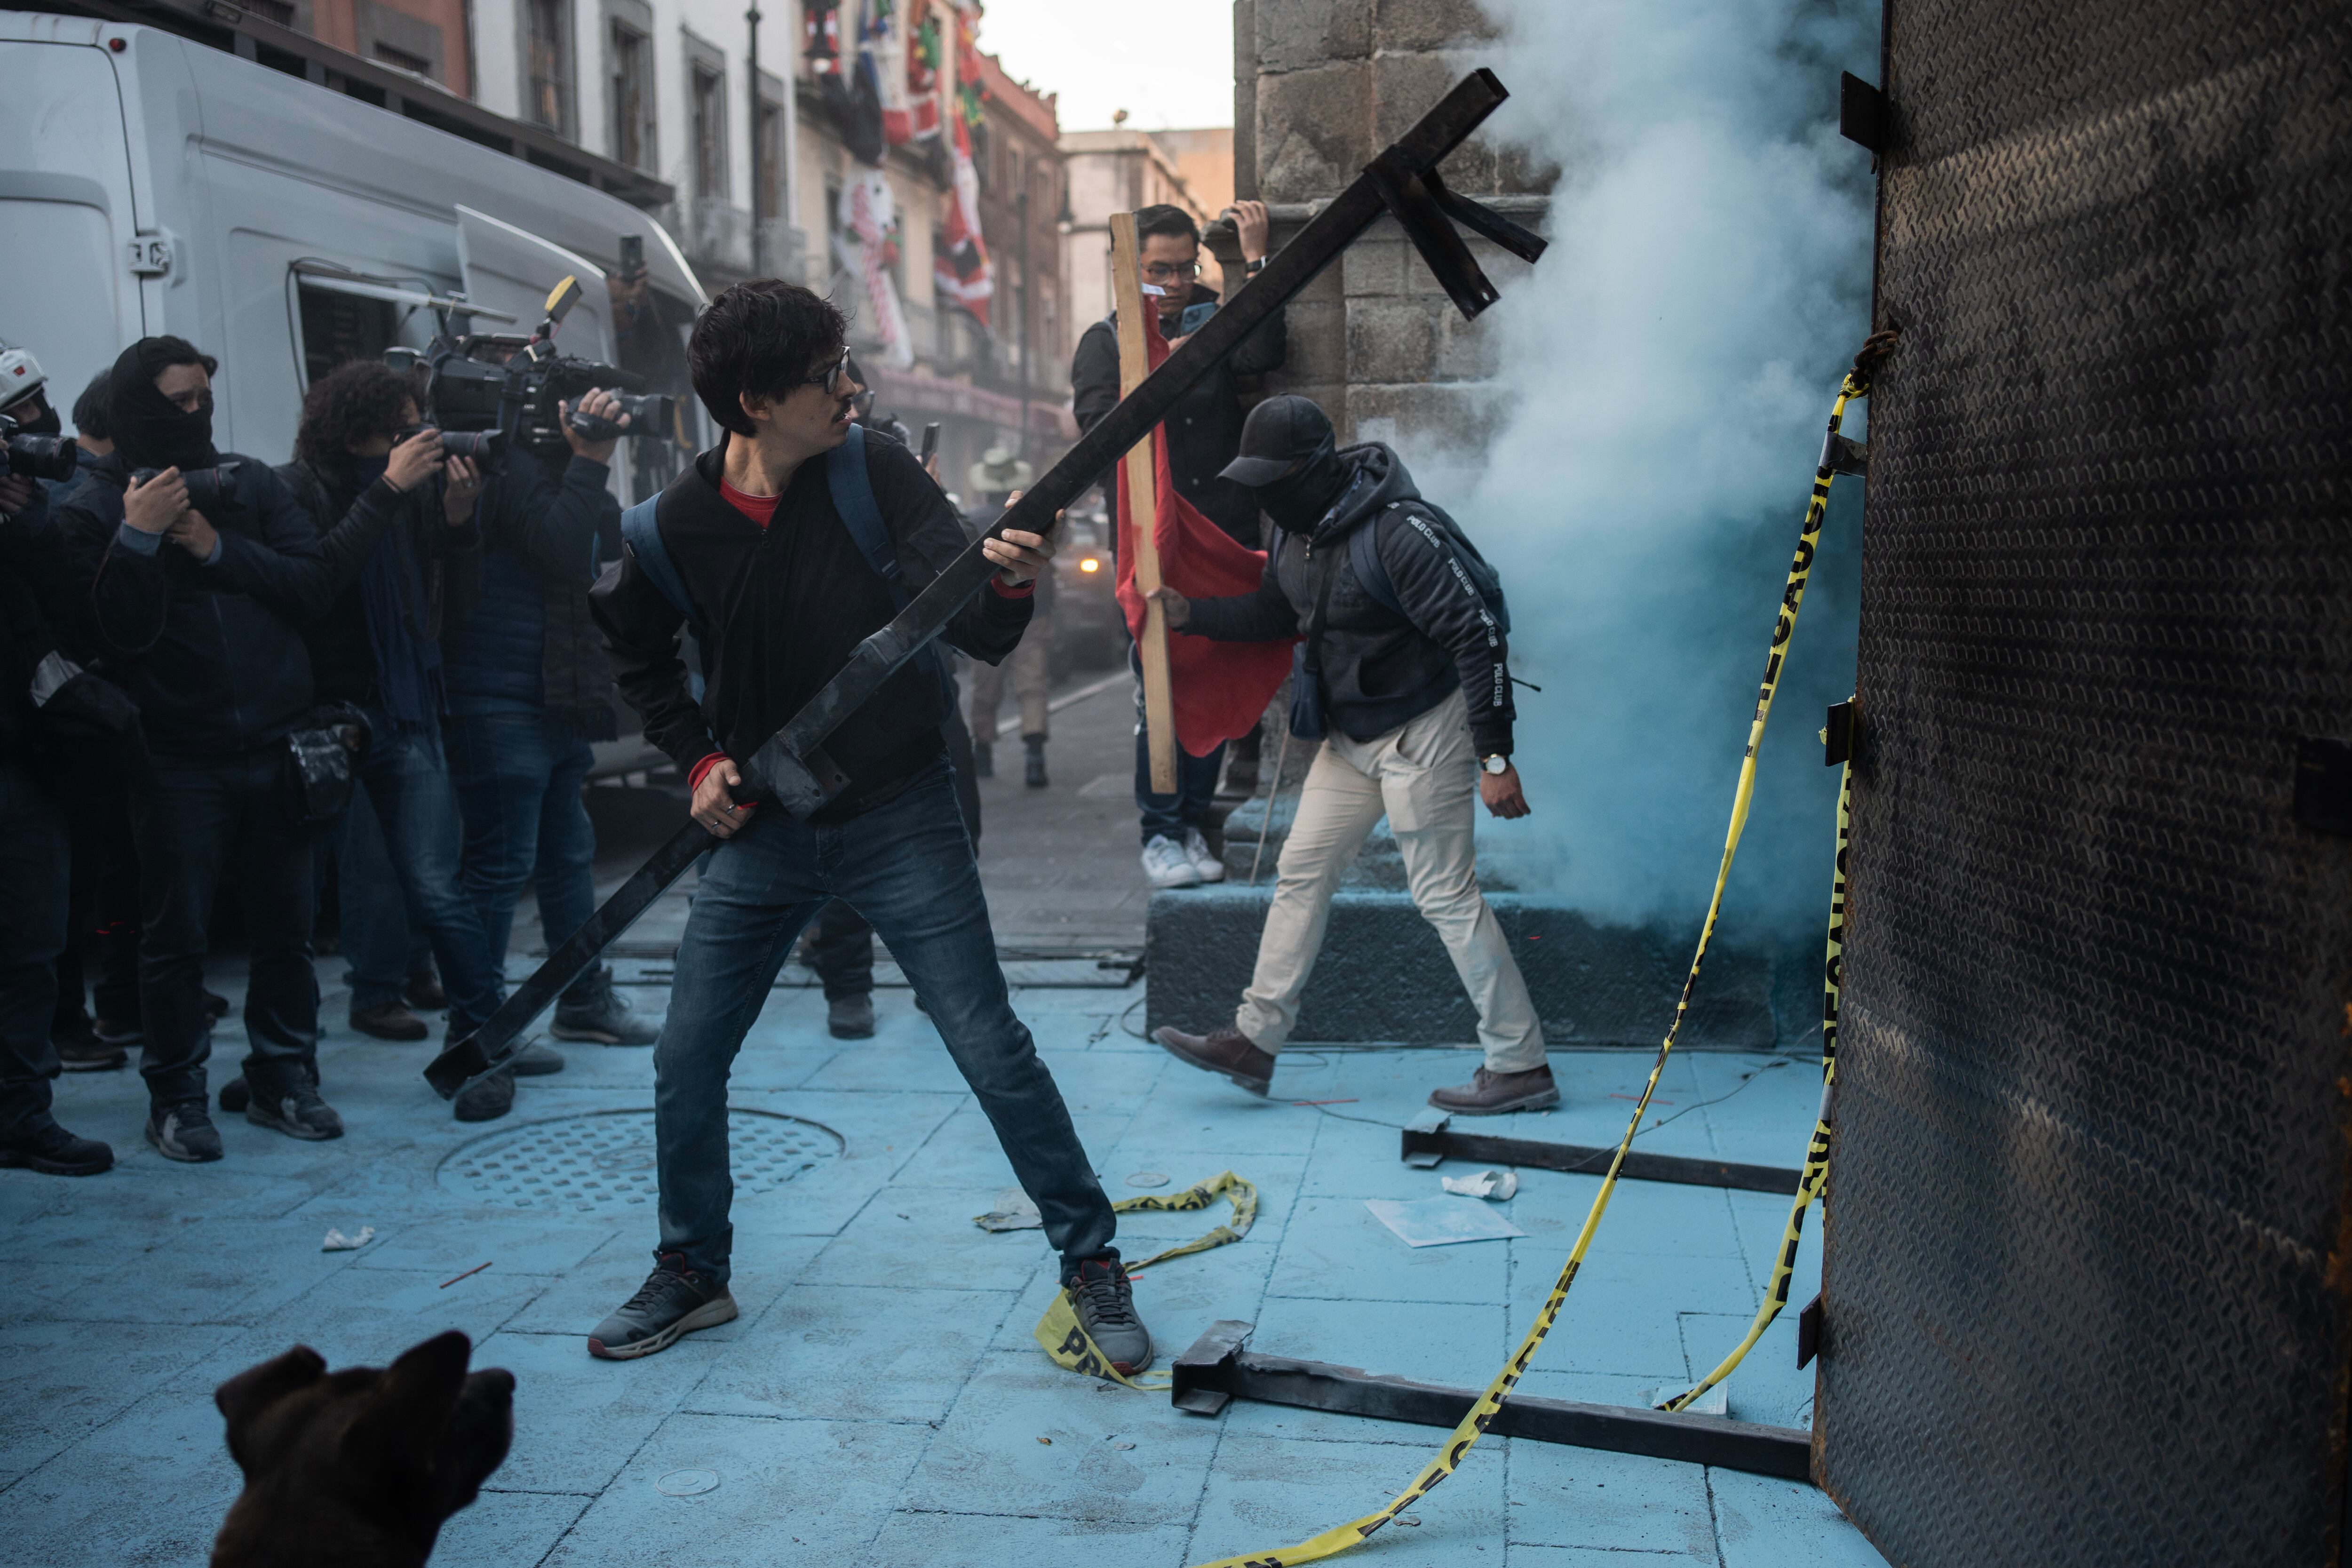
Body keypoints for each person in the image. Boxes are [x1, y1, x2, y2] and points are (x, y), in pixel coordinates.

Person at [588, 280, 1145, 1370]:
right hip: (761, 831)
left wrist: (1014, 582)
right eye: (828, 375)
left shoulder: (874, 468)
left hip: (902, 810)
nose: (854, 388)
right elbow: (639, 660)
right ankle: (693, 1271)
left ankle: (1091, 1263)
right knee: (687, 1057)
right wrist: (698, 759)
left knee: (991, 1044)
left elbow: (976, 627)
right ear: (754, 402)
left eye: (850, 362)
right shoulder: (668, 530)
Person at [1145, 396, 1556, 1115]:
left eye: (1276, 480)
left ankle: (1520, 1065)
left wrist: (1495, 759)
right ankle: (1254, 1039)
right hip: (1351, 737)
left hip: (1426, 730)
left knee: (1443, 894)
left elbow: (1481, 634)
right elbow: (1280, 611)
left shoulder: (1401, 532)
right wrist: (1192, 615)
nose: (1266, 496)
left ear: (1312, 467)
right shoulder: (1294, 529)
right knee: (1299, 872)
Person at [54, 337, 402, 1160]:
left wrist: (216, 549)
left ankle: (284, 1077)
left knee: (286, 931)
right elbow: (110, 633)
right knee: (174, 941)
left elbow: (313, 583)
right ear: (140, 405)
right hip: (176, 758)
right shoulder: (94, 512)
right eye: (177, 401)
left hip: (277, 741)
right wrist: (139, 540)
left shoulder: (250, 484)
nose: (196, 414)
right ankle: (176, 1098)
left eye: (203, 396)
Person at [278, 361, 520, 1064]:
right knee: (309, 889)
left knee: (436, 883)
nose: (417, 434)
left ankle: (483, 1028)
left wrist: (456, 521)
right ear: (360, 429)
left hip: (407, 704)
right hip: (325, 713)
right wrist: (387, 488)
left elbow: (453, 601)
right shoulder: (299, 490)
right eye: (403, 424)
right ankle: (294, 1053)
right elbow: (318, 581)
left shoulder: (414, 495)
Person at [439, 381, 653, 1122]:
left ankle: (583, 998)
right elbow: (564, 550)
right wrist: (590, 458)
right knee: (497, 869)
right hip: (499, 692)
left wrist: (587, 466)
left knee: (567, 855)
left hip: (556, 692)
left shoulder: (551, 468)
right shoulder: (506, 469)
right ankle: (477, 1033)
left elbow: (599, 545)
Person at [1070, 201, 1283, 890]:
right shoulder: (1105, 342)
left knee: (1212, 684)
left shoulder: (1213, 316)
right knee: (1160, 688)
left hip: (1220, 532)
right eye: (1157, 270)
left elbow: (1263, 352)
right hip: (1150, 538)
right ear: (1130, 272)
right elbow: (1104, 437)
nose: (1173, 282)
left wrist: (1250, 261)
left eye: (1183, 267)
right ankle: (1160, 832)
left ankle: (1193, 821)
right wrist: (1169, 365)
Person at [0, 449, 116, 1174]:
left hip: (20, 757)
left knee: (31, 947)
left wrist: (30, 525)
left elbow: (72, 615)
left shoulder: (22, 526)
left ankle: (21, 1115)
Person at [963, 458, 1053, 788]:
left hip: (987, 612)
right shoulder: (1033, 520)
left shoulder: (972, 521)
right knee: (1033, 684)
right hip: (1036, 611)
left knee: (985, 685)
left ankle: (983, 750)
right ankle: (1034, 756)